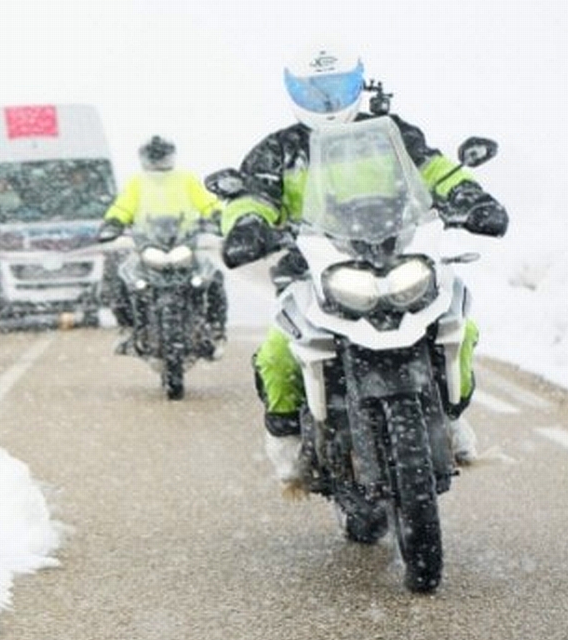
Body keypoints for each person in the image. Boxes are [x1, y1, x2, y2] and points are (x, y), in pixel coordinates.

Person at [217, 44, 508, 485]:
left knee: (458, 326)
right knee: (278, 352)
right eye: (316, 90)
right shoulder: (279, 151)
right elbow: (252, 197)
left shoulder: (390, 133)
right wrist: (248, 225)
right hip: (313, 268)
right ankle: (287, 443)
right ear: (295, 92)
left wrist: (472, 198)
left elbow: (435, 169)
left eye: (335, 87)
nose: (328, 100)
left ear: (357, 82)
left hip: (399, 254)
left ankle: (450, 416)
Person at [99, 135, 227, 354]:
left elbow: (207, 202)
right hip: (148, 245)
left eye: (162, 155)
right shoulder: (137, 182)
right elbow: (122, 207)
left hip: (184, 244)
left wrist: (219, 217)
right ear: (145, 158)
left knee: (213, 277)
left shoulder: (186, 179)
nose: (158, 160)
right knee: (122, 279)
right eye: (154, 156)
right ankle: (127, 328)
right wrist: (113, 223)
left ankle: (215, 329)